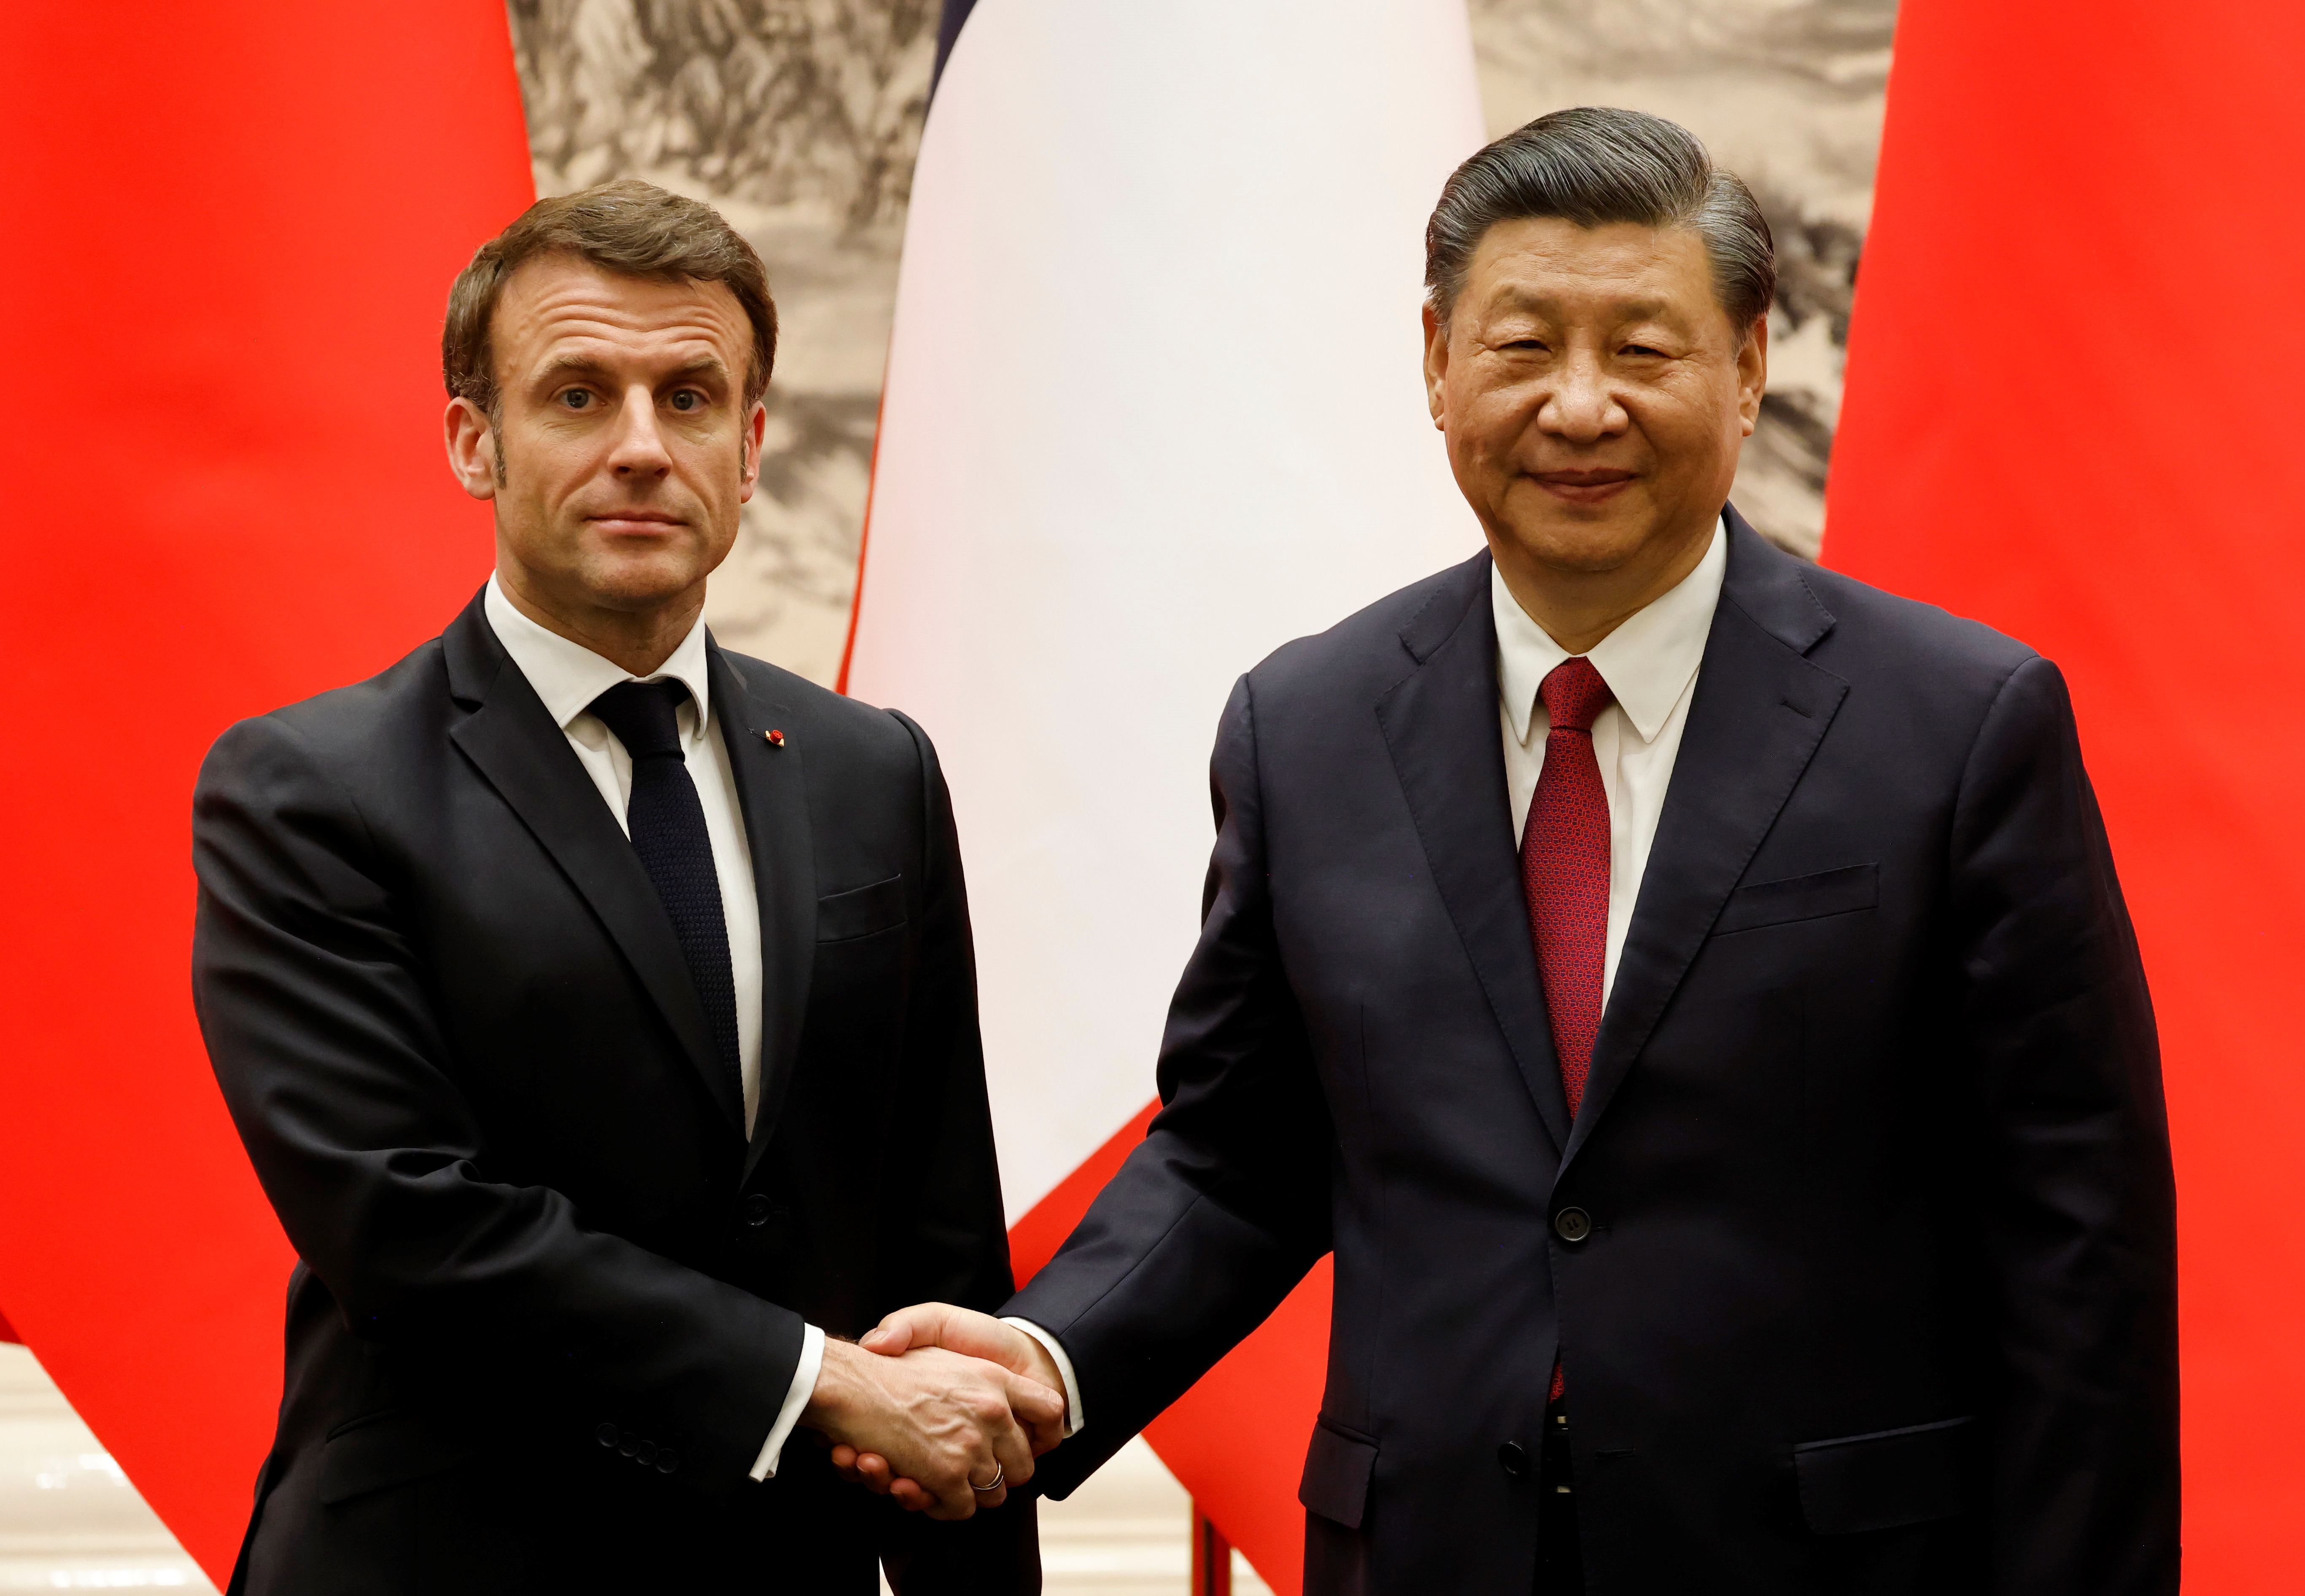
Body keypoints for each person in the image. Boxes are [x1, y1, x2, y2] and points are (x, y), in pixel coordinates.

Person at [842, 109, 2180, 1593]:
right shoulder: (1308, 725)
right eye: (1524, 345)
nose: (1582, 407)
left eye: (1646, 350)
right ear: (1436, 361)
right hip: (1427, 1551)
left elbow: (2080, 1247)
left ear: (1746, 369)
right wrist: (1046, 1357)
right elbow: (1241, 1154)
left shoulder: (1958, 723)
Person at [191, 180, 1060, 1593]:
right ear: (477, 442)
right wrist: (813, 1379)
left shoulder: (873, 770)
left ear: (755, 445)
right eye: (580, 396)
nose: (644, 449)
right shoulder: (308, 792)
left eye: (692, 396)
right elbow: (415, 1228)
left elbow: (938, 1241)